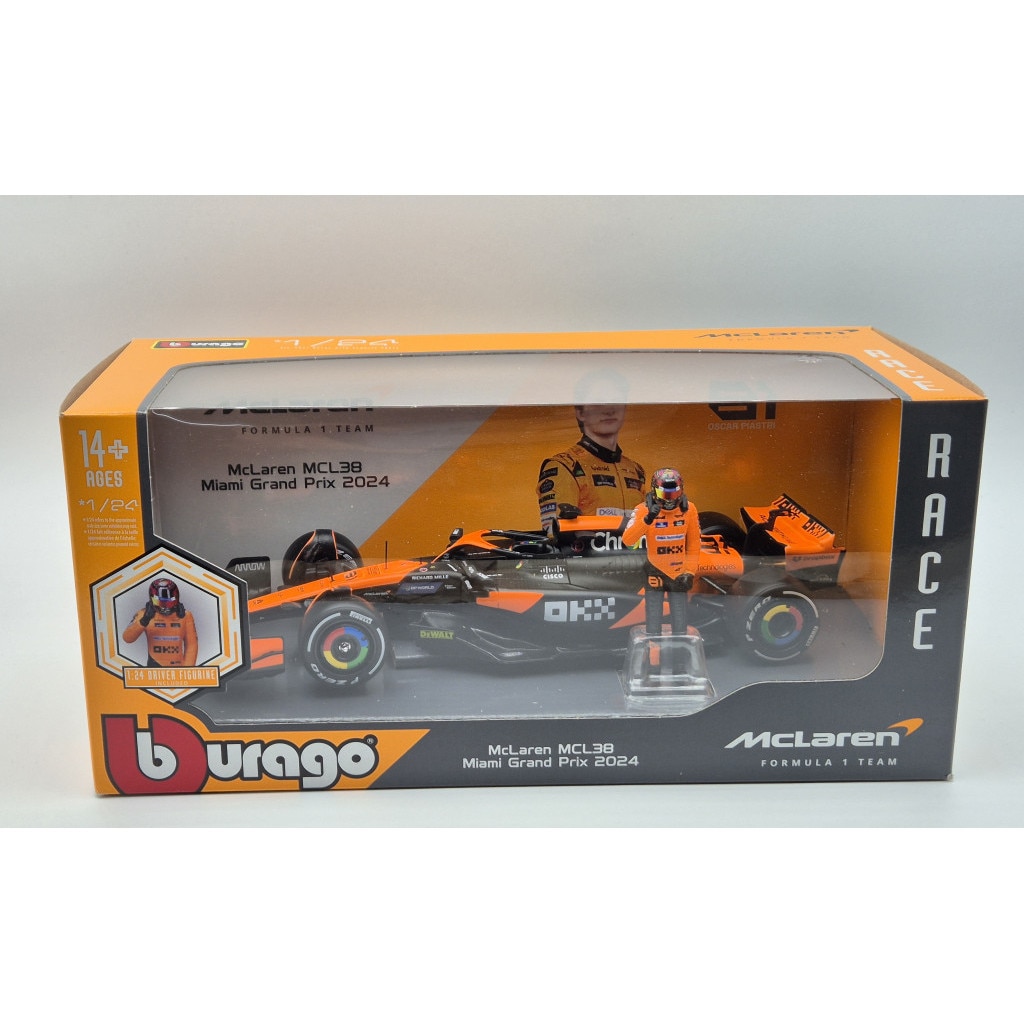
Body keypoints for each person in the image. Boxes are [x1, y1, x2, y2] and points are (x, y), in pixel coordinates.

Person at [537, 401, 646, 531]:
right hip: (586, 545)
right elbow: (556, 533)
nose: (609, 411)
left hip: (633, 544)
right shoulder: (565, 466)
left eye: (616, 403)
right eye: (599, 404)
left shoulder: (635, 469)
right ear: (580, 413)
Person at [622, 468, 701, 639]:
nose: (669, 499)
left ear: (681, 490)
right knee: (653, 624)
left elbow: (694, 545)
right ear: (654, 491)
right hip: (654, 570)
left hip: (679, 573)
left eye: (674, 493)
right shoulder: (643, 510)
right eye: (664, 494)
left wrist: (689, 572)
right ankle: (652, 653)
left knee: (680, 625)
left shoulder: (690, 509)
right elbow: (628, 541)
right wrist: (647, 519)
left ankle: (680, 655)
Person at [122, 578, 199, 667]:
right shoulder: (144, 614)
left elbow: (192, 645)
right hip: (155, 666)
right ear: (152, 599)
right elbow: (127, 638)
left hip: (178, 667)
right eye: (160, 602)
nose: (165, 607)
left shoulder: (186, 616)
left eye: (170, 602)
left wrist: (187, 669)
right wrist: (144, 620)